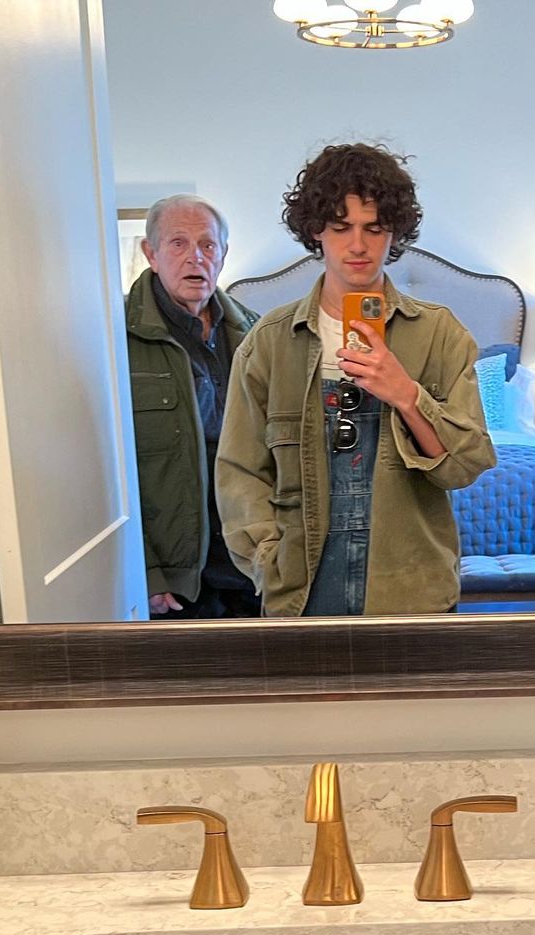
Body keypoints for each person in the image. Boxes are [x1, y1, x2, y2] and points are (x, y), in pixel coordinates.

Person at [216, 144, 495, 617]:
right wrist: (267, 562)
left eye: (374, 227)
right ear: (316, 230)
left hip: (411, 591)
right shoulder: (269, 343)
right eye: (341, 227)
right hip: (301, 592)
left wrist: (405, 394)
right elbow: (240, 471)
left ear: (395, 231)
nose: (359, 245)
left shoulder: (439, 334)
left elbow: (464, 467)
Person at [126, 195, 260, 619]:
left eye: (207, 244)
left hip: (255, 568)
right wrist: (146, 570)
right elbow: (97, 472)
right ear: (151, 253)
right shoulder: (114, 336)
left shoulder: (259, 334)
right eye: (178, 243)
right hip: (177, 581)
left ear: (223, 254)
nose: (195, 257)